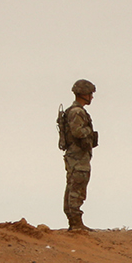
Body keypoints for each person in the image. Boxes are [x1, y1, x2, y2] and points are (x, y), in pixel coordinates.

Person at [57, 79, 98, 231]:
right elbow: (78, 132)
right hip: (78, 156)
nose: (92, 97)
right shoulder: (77, 112)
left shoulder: (74, 111)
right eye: (90, 94)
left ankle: (74, 221)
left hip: (76, 155)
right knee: (77, 187)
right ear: (83, 94)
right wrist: (90, 133)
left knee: (74, 185)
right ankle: (75, 223)